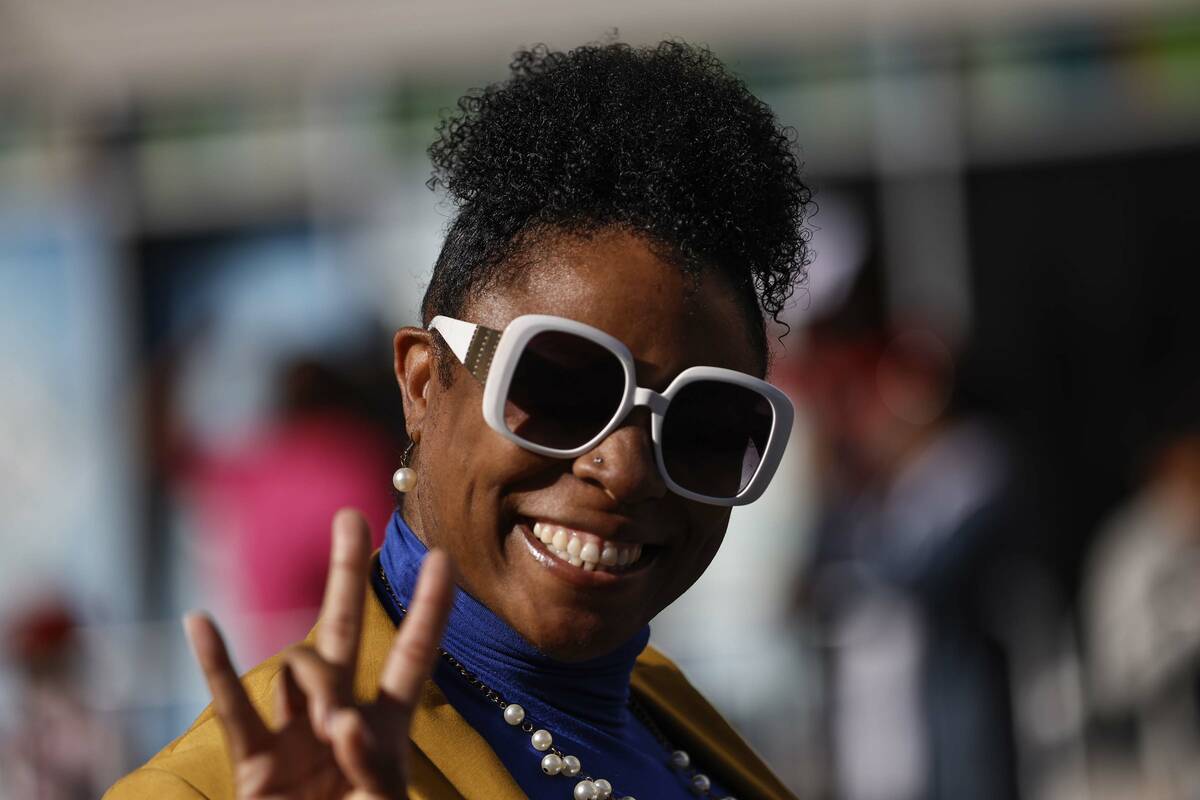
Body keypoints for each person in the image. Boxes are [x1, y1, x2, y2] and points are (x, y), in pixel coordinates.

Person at [105, 36, 813, 799]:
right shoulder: (213, 788)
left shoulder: (667, 713)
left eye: (704, 424)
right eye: (563, 388)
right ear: (421, 383)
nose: (627, 468)